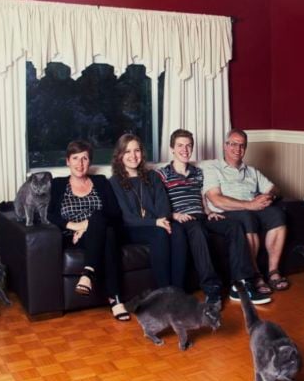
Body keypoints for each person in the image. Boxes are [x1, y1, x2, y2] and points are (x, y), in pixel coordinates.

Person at [157, 129, 271, 307]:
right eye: (180, 146)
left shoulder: (198, 172)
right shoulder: (162, 174)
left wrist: (210, 212)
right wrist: (174, 215)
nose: (185, 150)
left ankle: (240, 284)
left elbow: (203, 197)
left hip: (202, 215)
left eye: (188, 146)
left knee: (234, 225)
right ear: (172, 148)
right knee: (197, 229)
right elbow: (158, 204)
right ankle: (212, 290)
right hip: (183, 219)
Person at [47, 140, 128, 321]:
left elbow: (114, 212)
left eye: (84, 158)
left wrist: (88, 225)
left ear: (90, 162)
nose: (80, 163)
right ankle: (115, 300)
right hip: (75, 237)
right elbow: (51, 215)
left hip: (101, 231)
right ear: (68, 161)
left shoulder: (100, 181)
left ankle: (88, 273)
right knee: (101, 225)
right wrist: (77, 226)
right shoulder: (58, 184)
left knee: (103, 224)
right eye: (75, 158)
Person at [203, 128, 289, 295]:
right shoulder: (213, 168)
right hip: (228, 211)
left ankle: (273, 272)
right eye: (233, 144)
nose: (238, 149)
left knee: (278, 215)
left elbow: (275, 189)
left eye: (242, 146)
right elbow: (216, 199)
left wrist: (267, 196)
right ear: (225, 146)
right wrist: (249, 205)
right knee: (247, 217)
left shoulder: (251, 171)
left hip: (253, 207)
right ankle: (255, 275)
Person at [109, 133, 187, 289]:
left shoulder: (153, 176)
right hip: (132, 229)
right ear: (120, 156)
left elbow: (164, 206)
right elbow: (126, 218)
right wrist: (156, 222)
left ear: (142, 153)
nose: (133, 155)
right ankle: (164, 292)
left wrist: (161, 220)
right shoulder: (114, 182)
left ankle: (178, 291)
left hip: (157, 224)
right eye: (127, 151)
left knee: (178, 230)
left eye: (136, 150)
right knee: (159, 233)